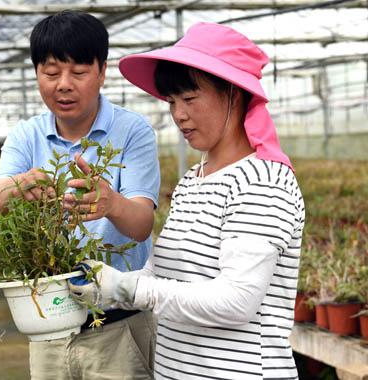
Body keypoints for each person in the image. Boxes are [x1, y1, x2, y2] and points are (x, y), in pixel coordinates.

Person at [69, 22, 306, 380]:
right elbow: (161, 274)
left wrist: (125, 287)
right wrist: (102, 286)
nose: (179, 114)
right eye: (172, 102)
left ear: (233, 94)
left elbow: (235, 302)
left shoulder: (263, 181)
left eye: (190, 99)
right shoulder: (194, 179)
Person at [0, 10, 160, 380]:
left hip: (118, 327)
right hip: (47, 326)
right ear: (36, 74)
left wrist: (110, 203)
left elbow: (142, 225)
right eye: (50, 72)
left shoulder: (132, 132)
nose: (64, 84)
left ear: (102, 72)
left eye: (78, 72)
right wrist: (22, 185)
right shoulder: (26, 136)